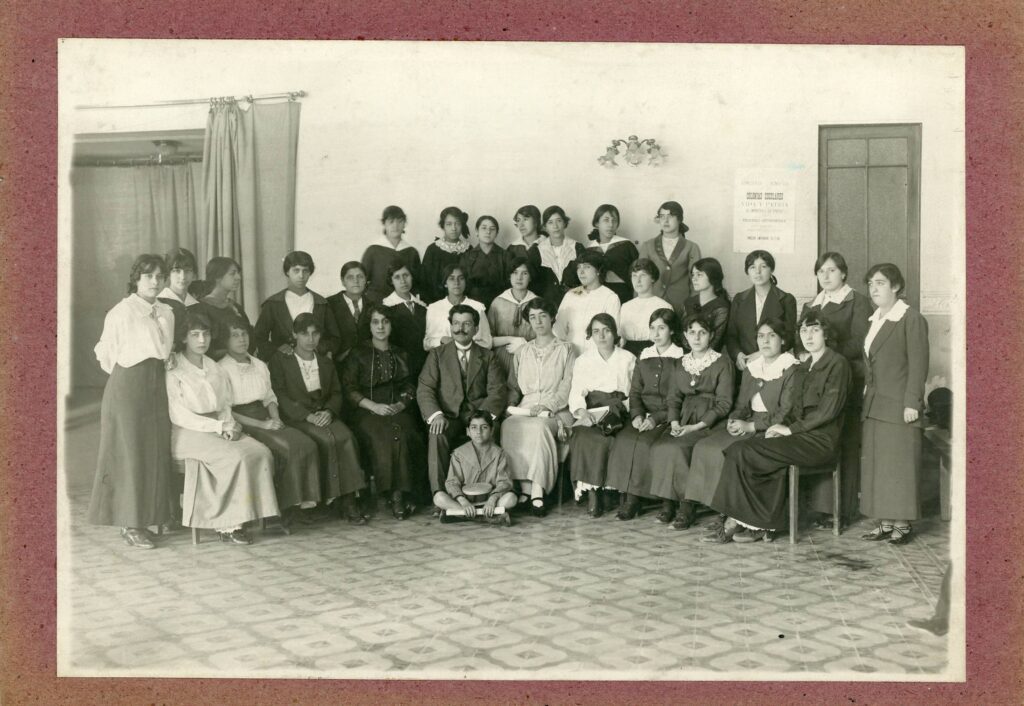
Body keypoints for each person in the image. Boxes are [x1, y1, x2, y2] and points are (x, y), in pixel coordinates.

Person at [704, 311, 850, 543]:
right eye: (804, 331)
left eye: (815, 330)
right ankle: (750, 521)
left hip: (820, 441)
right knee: (739, 450)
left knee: (748, 451)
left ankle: (741, 522)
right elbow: (794, 409)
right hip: (800, 436)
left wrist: (789, 430)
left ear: (826, 334)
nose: (808, 336)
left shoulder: (837, 364)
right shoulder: (805, 365)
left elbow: (827, 411)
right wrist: (778, 426)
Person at [166, 310, 280, 544]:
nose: (201, 340)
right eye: (194, 334)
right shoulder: (174, 368)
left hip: (219, 424)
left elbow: (225, 404)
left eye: (206, 334)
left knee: (260, 452)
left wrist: (229, 424)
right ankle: (228, 525)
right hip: (188, 432)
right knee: (233, 456)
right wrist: (218, 426)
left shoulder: (214, 368)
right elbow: (179, 414)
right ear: (184, 338)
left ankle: (250, 514)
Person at [87, 254, 175, 549]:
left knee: (153, 450)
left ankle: (148, 518)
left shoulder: (166, 311)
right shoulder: (121, 312)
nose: (155, 281)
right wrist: (129, 376)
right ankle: (129, 525)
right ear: (136, 279)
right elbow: (105, 354)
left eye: (160, 276)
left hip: (156, 385)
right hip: (128, 386)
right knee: (130, 453)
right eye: (148, 275)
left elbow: (165, 350)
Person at [682, 319, 801, 531]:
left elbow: (787, 412)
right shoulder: (752, 368)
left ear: (782, 340)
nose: (765, 341)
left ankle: (734, 513)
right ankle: (716, 507)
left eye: (771, 335)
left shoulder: (791, 368)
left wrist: (752, 427)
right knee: (707, 447)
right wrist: (734, 421)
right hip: (748, 422)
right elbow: (740, 405)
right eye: (761, 336)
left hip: (773, 427)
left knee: (734, 452)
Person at [218, 317, 321, 526]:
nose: (241, 340)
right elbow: (226, 411)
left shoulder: (259, 364)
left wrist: (274, 418)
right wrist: (263, 425)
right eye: (235, 336)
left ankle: (303, 504)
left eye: (244, 334)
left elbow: (270, 397)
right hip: (242, 421)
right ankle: (283, 509)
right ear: (225, 340)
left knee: (306, 443)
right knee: (285, 447)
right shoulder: (221, 369)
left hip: (266, 415)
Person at [269, 313, 368, 524]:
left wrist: (329, 411)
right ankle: (316, 503)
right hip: (298, 417)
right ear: (294, 334)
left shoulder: (324, 361)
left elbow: (336, 392)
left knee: (346, 438)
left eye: (315, 334)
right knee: (324, 440)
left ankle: (348, 499)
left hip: (323, 413)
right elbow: (280, 393)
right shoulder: (281, 360)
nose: (310, 339)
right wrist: (307, 416)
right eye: (304, 334)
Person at [800, 251, 874, 530]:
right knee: (822, 439)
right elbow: (804, 336)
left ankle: (843, 510)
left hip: (847, 379)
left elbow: (860, 341)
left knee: (845, 443)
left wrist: (823, 354)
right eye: (821, 272)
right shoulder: (813, 304)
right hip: (819, 380)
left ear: (843, 273)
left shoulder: (857, 301)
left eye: (831, 271)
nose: (826, 276)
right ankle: (821, 507)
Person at [859, 263, 929, 546]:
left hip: (900, 405)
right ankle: (885, 521)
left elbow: (918, 363)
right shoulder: (875, 319)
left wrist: (912, 401)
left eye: (880, 283)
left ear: (896, 286)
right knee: (880, 465)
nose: (874, 289)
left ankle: (902, 523)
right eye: (870, 283)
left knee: (899, 465)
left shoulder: (911, 318)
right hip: (875, 404)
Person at [339, 305, 427, 520]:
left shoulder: (401, 353)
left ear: (391, 325)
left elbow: (409, 385)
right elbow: (349, 389)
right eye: (375, 322)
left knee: (406, 433)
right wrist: (373, 406)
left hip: (395, 408)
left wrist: (401, 404)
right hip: (367, 410)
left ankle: (401, 494)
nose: (380, 326)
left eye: (385, 322)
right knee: (384, 435)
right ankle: (390, 494)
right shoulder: (357, 353)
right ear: (369, 326)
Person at [645, 314, 734, 523]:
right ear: (685, 335)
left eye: (702, 333)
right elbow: (673, 398)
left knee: (681, 448)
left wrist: (696, 427)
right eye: (692, 332)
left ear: (711, 336)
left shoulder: (722, 362)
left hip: (710, 421)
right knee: (662, 446)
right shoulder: (680, 363)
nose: (697, 337)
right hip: (684, 418)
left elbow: (724, 403)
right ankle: (668, 502)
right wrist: (675, 422)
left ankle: (687, 506)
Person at [605, 308, 687, 520]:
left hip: (669, 416)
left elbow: (678, 397)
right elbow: (635, 392)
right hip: (644, 415)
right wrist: (637, 416)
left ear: (671, 331)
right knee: (626, 439)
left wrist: (655, 419)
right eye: (652, 328)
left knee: (650, 445)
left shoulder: (680, 358)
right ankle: (632, 500)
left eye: (662, 328)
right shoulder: (644, 356)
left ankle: (667, 502)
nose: (656, 333)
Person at [416, 305, 507, 495]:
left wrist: (483, 419)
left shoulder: (488, 356)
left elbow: (497, 391)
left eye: (466, 324)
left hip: (479, 413)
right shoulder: (437, 355)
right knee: (436, 433)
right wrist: (436, 415)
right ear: (450, 326)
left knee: (492, 430)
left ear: (475, 329)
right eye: (456, 323)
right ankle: (439, 494)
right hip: (448, 416)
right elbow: (425, 388)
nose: (460, 329)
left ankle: (489, 492)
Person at [502, 298, 577, 517]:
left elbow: (568, 385)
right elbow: (513, 386)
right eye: (532, 317)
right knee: (509, 426)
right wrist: (511, 406)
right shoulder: (522, 352)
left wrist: (548, 405)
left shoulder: (567, 349)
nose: (538, 321)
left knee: (540, 427)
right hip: (526, 407)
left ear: (552, 317)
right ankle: (523, 489)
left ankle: (538, 490)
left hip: (558, 409)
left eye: (542, 315)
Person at [567, 314, 637, 515]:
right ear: (590, 335)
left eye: (607, 330)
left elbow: (635, 392)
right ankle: (593, 492)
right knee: (585, 437)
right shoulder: (583, 360)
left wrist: (624, 408)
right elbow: (576, 390)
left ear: (615, 333)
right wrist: (582, 412)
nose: (602, 335)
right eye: (596, 331)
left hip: (619, 410)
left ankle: (610, 490)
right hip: (592, 410)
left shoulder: (627, 358)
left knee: (619, 438)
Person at [433, 411, 517, 526]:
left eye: (484, 427)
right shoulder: (459, 453)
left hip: (490, 501)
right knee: (438, 498)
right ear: (468, 431)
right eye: (473, 427)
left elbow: (504, 481)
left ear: (492, 431)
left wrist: (492, 500)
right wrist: (463, 502)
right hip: (465, 501)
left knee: (511, 498)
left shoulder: (499, 453)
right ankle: (485, 518)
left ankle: (460, 515)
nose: (479, 432)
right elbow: (452, 482)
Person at [253, 251, 340, 361]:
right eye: (296, 270)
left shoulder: (321, 303)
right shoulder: (273, 303)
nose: (301, 276)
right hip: (283, 363)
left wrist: (317, 347)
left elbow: (335, 339)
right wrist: (276, 349)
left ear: (310, 273)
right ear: (287, 272)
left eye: (305, 271)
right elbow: (258, 337)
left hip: (314, 362)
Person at [725, 250, 797, 372]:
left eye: (763, 266)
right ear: (747, 271)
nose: (757, 272)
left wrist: (760, 354)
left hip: (774, 364)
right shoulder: (739, 299)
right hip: (744, 366)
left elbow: (789, 337)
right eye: (752, 267)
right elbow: (731, 335)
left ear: (771, 270)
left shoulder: (786, 299)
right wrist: (739, 355)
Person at [636, 201, 702, 314]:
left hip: (681, 304)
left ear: (680, 219)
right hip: (652, 303)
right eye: (662, 217)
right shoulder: (648, 245)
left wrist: (692, 307)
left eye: (670, 216)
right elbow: (639, 277)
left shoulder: (692, 247)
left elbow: (696, 281)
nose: (665, 221)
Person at [554, 250, 621, 356]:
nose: (581, 272)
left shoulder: (610, 297)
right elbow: (558, 329)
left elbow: (612, 333)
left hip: (597, 356)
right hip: (570, 354)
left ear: (598, 270)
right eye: (579, 268)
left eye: (586, 267)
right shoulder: (571, 295)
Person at [191, 256, 252, 361]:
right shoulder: (201, 308)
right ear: (217, 277)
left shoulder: (236, 307)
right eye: (232, 274)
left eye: (238, 273)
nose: (238, 277)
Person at [487, 257, 538, 375]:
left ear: (530, 277)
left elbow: (545, 338)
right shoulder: (497, 303)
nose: (519, 278)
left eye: (524, 273)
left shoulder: (537, 303)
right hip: (501, 356)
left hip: (531, 355)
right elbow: (488, 339)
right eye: (515, 273)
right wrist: (512, 340)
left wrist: (524, 345)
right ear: (509, 276)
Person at [423, 263, 492, 349]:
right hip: (442, 357)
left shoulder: (477, 307)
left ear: (466, 282)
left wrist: (465, 346)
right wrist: (442, 339)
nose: (456, 283)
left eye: (461, 278)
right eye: (451, 279)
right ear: (445, 283)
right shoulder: (434, 308)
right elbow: (426, 344)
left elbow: (487, 343)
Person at [361, 205, 422, 302]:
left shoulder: (411, 252)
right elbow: (362, 282)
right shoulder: (373, 250)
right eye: (391, 222)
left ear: (404, 224)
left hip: (403, 305)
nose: (395, 226)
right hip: (377, 304)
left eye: (400, 221)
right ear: (384, 224)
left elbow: (416, 285)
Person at [529, 205, 584, 307]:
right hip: (546, 306)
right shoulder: (537, 251)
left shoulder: (577, 247)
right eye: (550, 222)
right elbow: (533, 284)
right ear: (545, 227)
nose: (555, 226)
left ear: (564, 223)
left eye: (559, 221)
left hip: (575, 303)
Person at [326, 261, 380, 363]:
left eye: (360, 277)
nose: (356, 281)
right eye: (350, 277)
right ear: (343, 281)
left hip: (366, 364)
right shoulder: (329, 304)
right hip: (337, 364)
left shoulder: (373, 306)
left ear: (366, 280)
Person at [382, 263, 429, 377]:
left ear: (412, 277)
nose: (403, 281)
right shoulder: (386, 306)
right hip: (399, 366)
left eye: (406, 275)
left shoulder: (422, 306)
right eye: (397, 277)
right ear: (391, 281)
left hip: (424, 363)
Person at [618, 259, 672, 356]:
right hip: (628, 352)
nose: (638, 281)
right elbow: (621, 337)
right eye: (634, 276)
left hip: (654, 352)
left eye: (642, 275)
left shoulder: (663, 306)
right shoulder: (625, 306)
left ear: (652, 278)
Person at [586, 204, 639, 303]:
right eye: (606, 220)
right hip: (597, 296)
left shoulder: (627, 246)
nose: (611, 224)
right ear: (597, 223)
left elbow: (638, 272)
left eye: (614, 220)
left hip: (622, 294)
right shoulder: (589, 250)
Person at [420, 206, 472, 303]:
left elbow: (471, 282)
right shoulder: (433, 250)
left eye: (457, 224)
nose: (454, 228)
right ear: (443, 226)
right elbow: (425, 283)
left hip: (464, 304)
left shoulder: (469, 249)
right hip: (437, 304)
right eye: (449, 224)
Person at [682, 257, 730, 353]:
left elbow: (716, 341)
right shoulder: (689, 302)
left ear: (712, 277)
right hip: (687, 355)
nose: (694, 279)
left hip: (710, 358)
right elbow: (682, 333)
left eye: (699, 275)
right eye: (693, 275)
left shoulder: (721, 306)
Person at [460, 215, 508, 309]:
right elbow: (463, 286)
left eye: (492, 229)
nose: (488, 232)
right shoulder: (467, 257)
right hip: (473, 306)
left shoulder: (505, 256)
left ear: (497, 233)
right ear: (477, 232)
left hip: (500, 305)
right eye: (484, 228)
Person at [158, 247, 200, 345]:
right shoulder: (160, 303)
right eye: (176, 271)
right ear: (168, 273)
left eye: (188, 270)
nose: (183, 277)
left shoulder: (198, 306)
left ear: (194, 274)